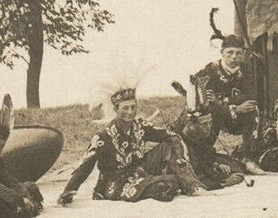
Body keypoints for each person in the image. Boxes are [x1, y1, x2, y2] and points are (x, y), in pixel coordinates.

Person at [59, 87, 204, 204]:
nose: (130, 112)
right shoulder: (103, 136)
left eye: (133, 107)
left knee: (169, 144)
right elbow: (86, 165)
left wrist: (179, 158)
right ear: (116, 110)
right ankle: (164, 184)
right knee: (168, 182)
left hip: (140, 171)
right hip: (115, 181)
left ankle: (191, 185)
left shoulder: (141, 126)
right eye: (125, 108)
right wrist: (69, 190)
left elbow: (170, 135)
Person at [191, 34, 264, 173]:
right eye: (230, 52)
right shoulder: (209, 72)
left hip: (235, 117)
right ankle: (204, 157)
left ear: (243, 53)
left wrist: (223, 101)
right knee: (210, 114)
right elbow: (207, 105)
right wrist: (235, 108)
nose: (234, 57)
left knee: (253, 110)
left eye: (238, 53)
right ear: (222, 52)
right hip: (216, 117)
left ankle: (247, 158)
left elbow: (251, 96)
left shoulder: (245, 70)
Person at [170, 106, 246, 191]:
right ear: (190, 125)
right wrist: (223, 183)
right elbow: (192, 178)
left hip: (203, 170)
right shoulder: (179, 143)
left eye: (210, 123)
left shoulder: (198, 136)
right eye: (204, 124)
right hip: (193, 177)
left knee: (235, 166)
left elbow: (207, 155)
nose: (209, 127)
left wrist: (216, 165)